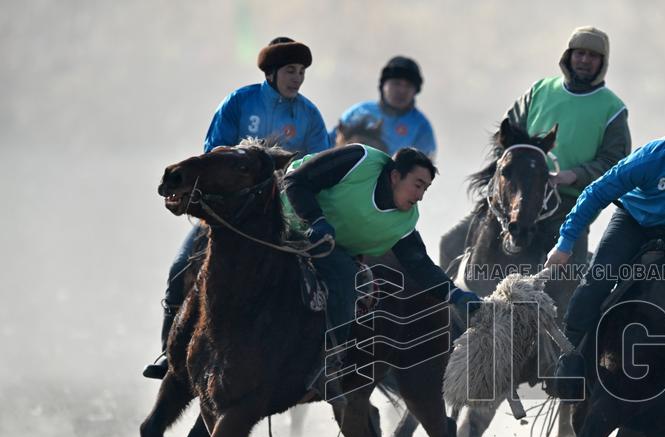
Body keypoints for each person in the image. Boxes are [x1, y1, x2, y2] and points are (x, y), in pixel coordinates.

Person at [143, 37, 330, 379]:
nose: (298, 78)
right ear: (271, 73)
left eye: (302, 72)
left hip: (284, 213)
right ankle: (168, 358)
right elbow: (213, 151)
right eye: (291, 70)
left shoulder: (309, 114)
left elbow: (319, 164)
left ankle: (321, 357)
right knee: (180, 270)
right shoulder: (240, 102)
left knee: (325, 270)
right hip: (228, 212)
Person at [545, 113, 665, 394]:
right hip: (634, 221)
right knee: (597, 281)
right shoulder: (652, 157)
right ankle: (568, 358)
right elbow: (595, 193)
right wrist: (565, 244)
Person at [281, 145, 480, 399]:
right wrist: (315, 218)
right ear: (395, 176)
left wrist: (454, 294)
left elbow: (419, 264)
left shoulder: (404, 222)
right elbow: (295, 180)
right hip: (282, 217)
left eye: (425, 189)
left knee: (345, 278)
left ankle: (327, 362)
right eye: (417, 185)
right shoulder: (357, 159)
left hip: (327, 248)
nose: (420, 196)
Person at [500, 26, 630, 267]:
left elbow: (616, 165)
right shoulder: (540, 90)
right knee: (451, 242)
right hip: (518, 196)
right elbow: (507, 136)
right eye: (579, 53)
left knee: (568, 279)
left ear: (602, 62)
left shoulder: (613, 109)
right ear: (568, 55)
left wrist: (574, 175)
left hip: (570, 206)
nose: (584, 60)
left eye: (592, 56)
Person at [331, 56, 437, 160]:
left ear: (415, 91)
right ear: (383, 85)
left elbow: (424, 169)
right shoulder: (358, 112)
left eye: (408, 86)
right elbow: (328, 145)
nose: (402, 90)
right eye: (396, 83)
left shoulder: (421, 127)